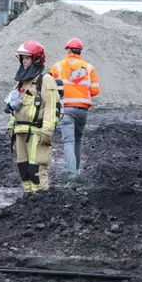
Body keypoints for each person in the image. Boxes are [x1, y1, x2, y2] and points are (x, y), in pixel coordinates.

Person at [4, 41, 60, 196]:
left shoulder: (45, 80)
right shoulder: (21, 82)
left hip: (36, 131)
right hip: (20, 130)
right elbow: (16, 106)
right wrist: (11, 126)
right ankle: (28, 197)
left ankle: (40, 199)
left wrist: (47, 130)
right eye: (22, 58)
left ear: (36, 59)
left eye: (27, 58)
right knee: (23, 166)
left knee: (36, 167)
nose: (23, 61)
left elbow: (51, 106)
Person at [49, 38, 100, 183]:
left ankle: (72, 176)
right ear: (80, 51)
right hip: (83, 109)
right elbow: (95, 89)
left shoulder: (57, 67)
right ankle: (76, 171)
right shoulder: (89, 68)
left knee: (68, 142)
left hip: (66, 109)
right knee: (78, 140)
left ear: (68, 50)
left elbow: (49, 87)